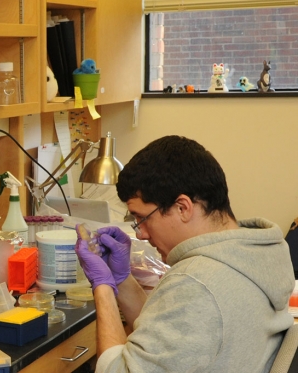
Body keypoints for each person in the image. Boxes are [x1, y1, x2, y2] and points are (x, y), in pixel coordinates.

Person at [76, 135, 293, 373]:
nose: (141, 234)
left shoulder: (196, 283)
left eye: (142, 218)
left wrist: (102, 287)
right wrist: (121, 280)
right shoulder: (256, 253)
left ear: (182, 207)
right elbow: (168, 340)